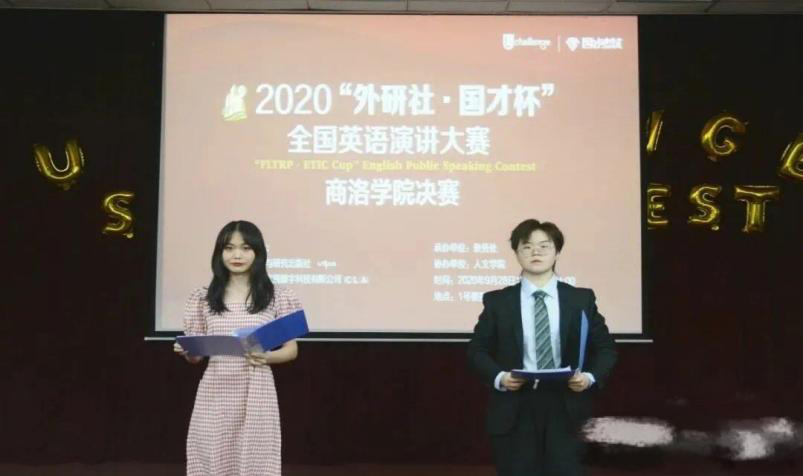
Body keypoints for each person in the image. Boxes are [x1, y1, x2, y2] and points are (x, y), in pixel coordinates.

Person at [467, 219, 617, 476]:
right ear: (517, 253)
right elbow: (477, 350)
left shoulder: (580, 299)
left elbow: (606, 348)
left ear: (557, 252)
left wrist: (589, 378)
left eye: (544, 246)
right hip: (516, 405)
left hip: (566, 404)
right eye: (527, 247)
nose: (535, 252)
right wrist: (501, 377)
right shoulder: (498, 301)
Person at [173, 220, 302, 476]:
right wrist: (188, 351)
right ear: (219, 253)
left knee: (256, 457)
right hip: (216, 388)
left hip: (256, 388)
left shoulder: (277, 295)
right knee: (213, 453)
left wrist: (266, 357)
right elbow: (196, 358)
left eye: (245, 248)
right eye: (229, 248)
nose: (237, 255)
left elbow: (291, 350)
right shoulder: (203, 297)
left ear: (258, 252)